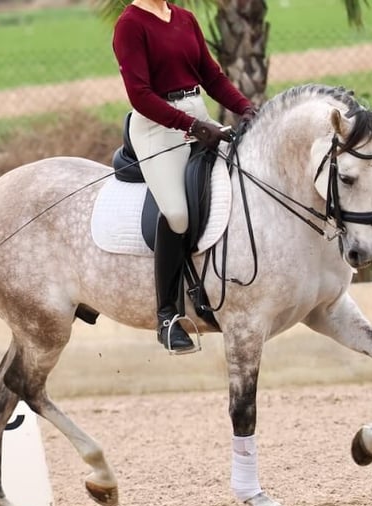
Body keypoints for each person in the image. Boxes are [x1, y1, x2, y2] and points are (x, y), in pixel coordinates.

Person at [113, 0, 256, 352]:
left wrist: (247, 109)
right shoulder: (130, 24)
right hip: (156, 127)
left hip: (197, 114)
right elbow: (140, 95)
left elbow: (212, 77)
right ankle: (167, 316)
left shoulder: (185, 19)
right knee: (177, 214)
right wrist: (191, 125)